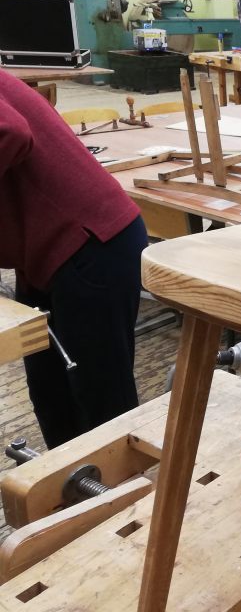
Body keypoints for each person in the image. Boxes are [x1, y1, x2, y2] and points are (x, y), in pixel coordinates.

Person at [0, 70, 148, 448]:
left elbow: (10, 132)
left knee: (103, 407)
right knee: (50, 396)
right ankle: (73, 484)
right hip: (43, 253)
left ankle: (118, 487)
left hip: (93, 244)